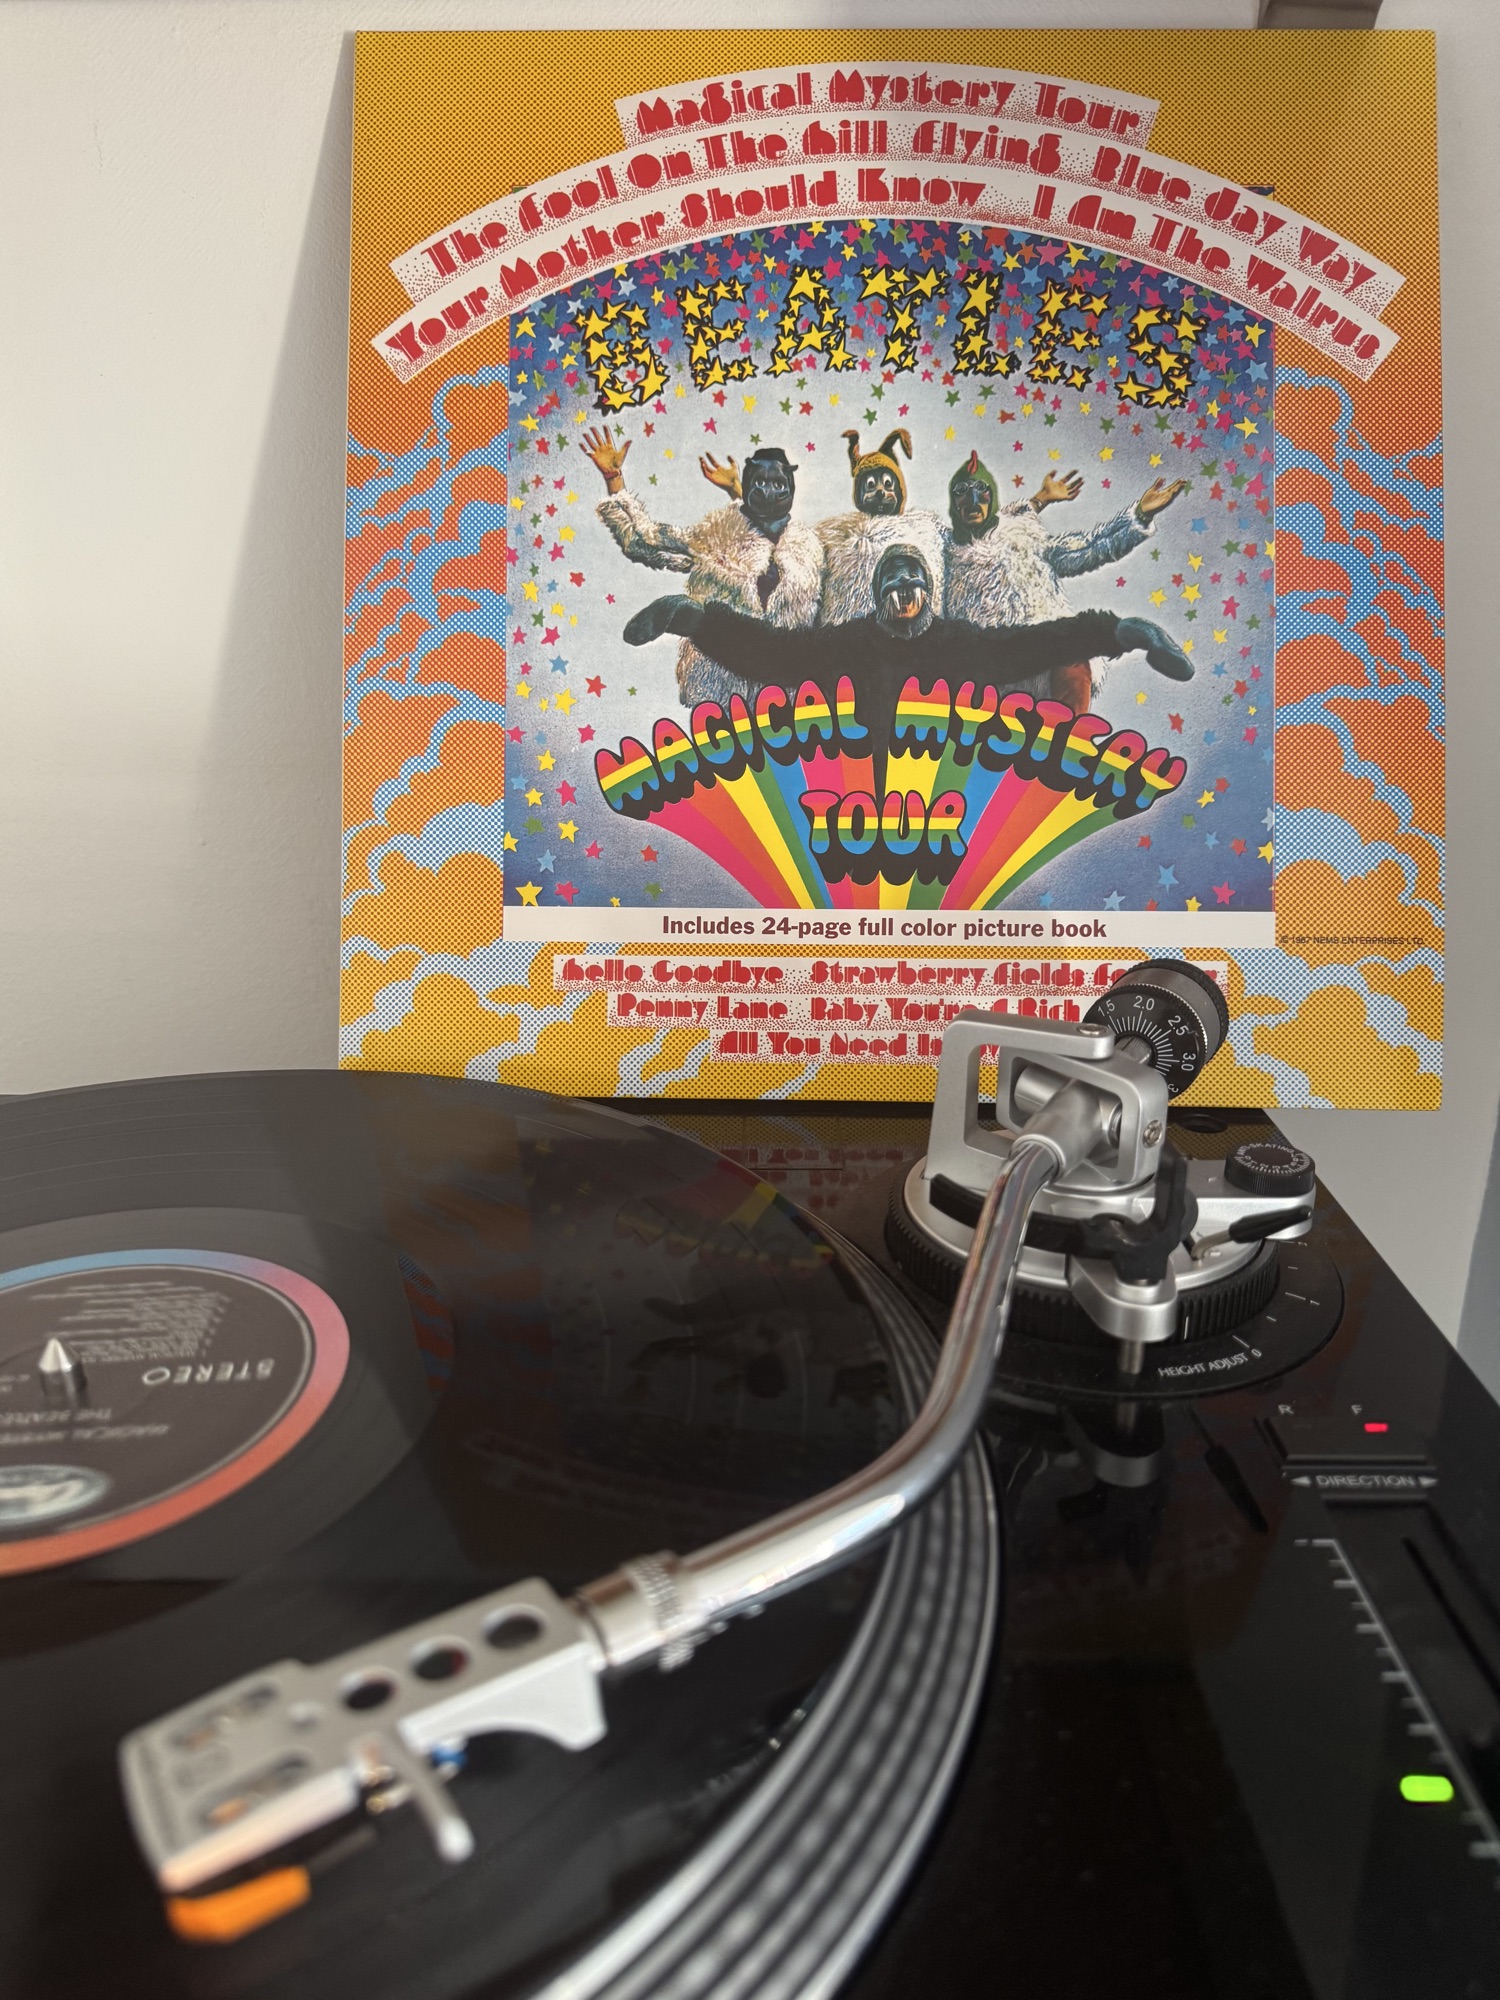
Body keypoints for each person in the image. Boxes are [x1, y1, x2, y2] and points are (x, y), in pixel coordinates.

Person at [623, 541, 1192, 753]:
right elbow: (775, 655)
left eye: (912, 579)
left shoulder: (960, 643)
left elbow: (1038, 641)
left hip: (944, 797)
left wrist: (1125, 632)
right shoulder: (849, 642)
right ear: (877, 595)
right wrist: (693, 618)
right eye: (891, 581)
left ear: (928, 591)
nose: (903, 589)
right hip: (857, 793)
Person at [582, 428, 824, 706]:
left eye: (778, 484)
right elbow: (645, 541)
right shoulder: (717, 534)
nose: (769, 492)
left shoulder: (809, 547)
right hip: (721, 689)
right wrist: (614, 479)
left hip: (789, 695)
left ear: (791, 487)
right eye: (760, 482)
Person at [945, 450, 1188, 712]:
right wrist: (1039, 499)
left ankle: (1070, 731)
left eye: (981, 491)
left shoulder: (1024, 540)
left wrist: (1139, 516)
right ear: (953, 505)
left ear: (991, 498)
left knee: (1074, 659)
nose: (972, 501)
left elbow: (1092, 548)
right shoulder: (945, 553)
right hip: (990, 674)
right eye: (962, 492)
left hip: (1047, 653)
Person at [814, 429, 949, 626]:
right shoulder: (838, 535)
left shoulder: (922, 530)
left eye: (887, 484)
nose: (880, 492)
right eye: (870, 485)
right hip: (849, 636)